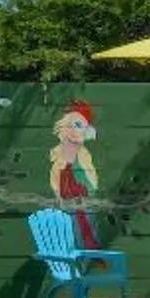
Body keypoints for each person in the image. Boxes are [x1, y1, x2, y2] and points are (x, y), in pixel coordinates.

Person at [49, 100, 102, 247]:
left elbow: (91, 179)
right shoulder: (57, 154)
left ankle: (89, 252)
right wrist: (58, 195)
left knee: (85, 230)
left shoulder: (83, 155)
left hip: (81, 202)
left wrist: (88, 193)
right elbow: (55, 177)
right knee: (68, 231)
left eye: (81, 126)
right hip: (65, 202)